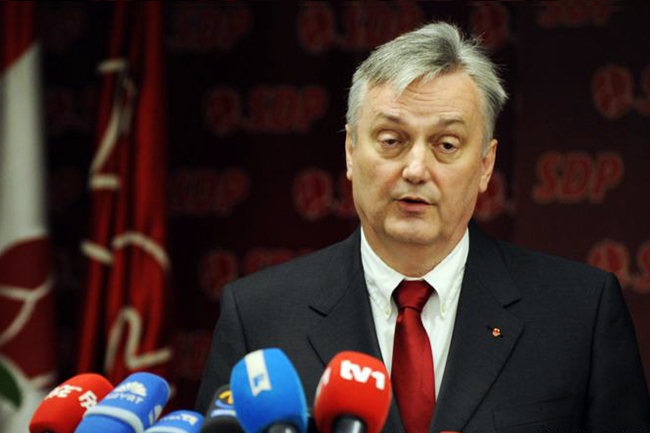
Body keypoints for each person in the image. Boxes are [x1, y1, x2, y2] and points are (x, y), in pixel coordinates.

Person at [196, 22, 650, 433]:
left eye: (446, 144)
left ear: (486, 164)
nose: (415, 169)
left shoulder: (579, 313)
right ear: (351, 152)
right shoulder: (260, 316)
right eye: (391, 140)